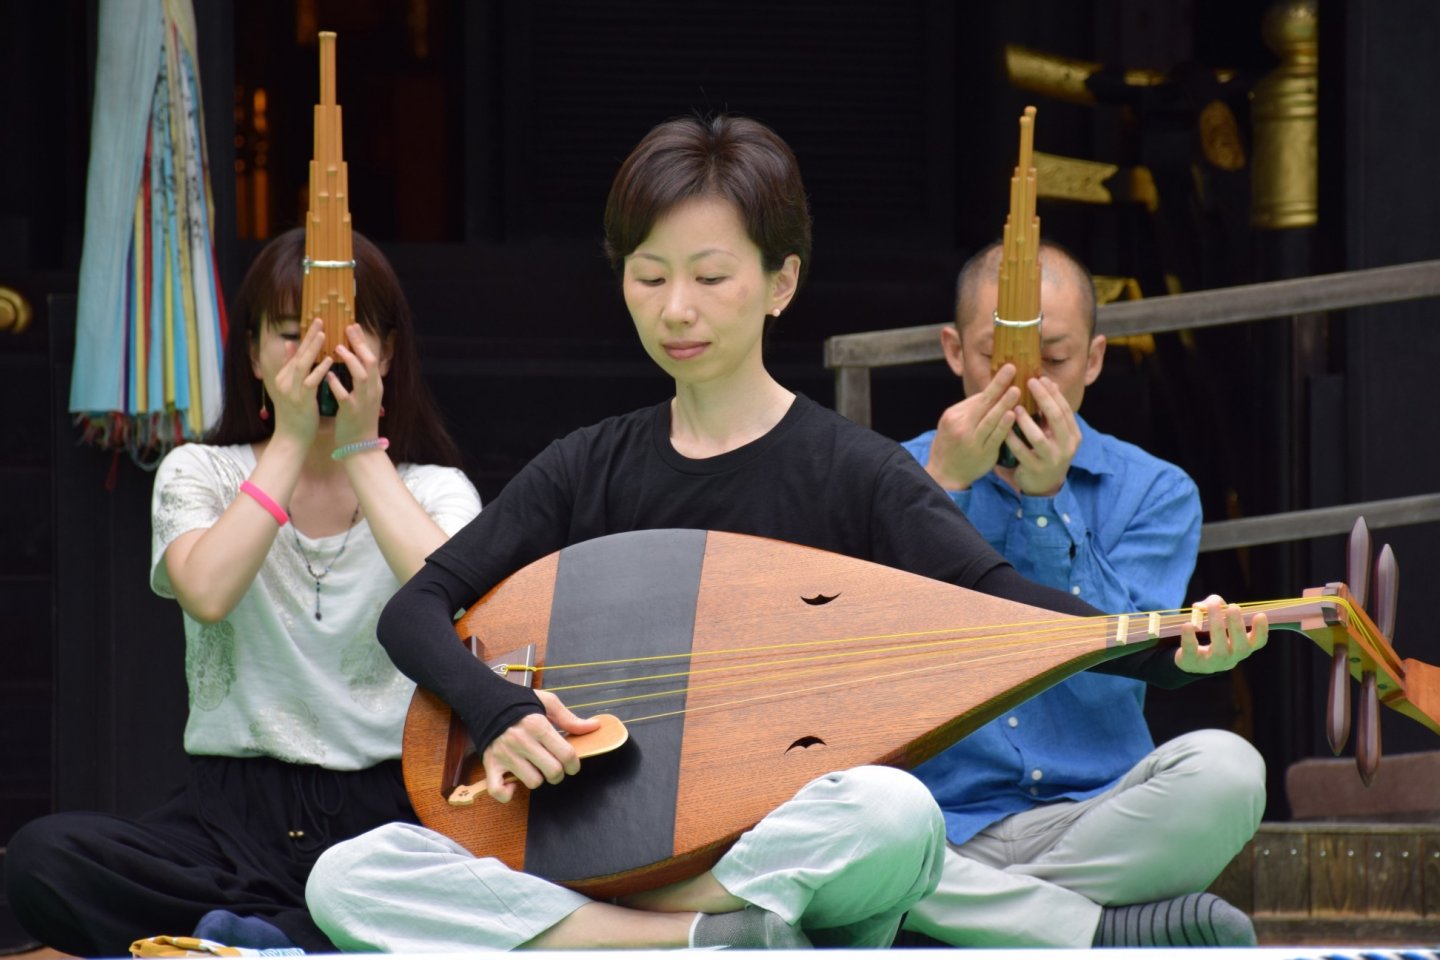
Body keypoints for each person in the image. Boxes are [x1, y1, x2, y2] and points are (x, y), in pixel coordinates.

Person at [300, 115, 1267, 953]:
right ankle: (704, 936)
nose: (677, 309)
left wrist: (1172, 652)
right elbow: (416, 611)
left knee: (892, 815)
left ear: (780, 282)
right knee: (348, 877)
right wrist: (499, 711)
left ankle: (669, 926)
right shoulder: (585, 466)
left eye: (711, 276)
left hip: (767, 841)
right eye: (650, 276)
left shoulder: (856, 471)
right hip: (579, 843)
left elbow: (1005, 607)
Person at [3, 228, 482, 955]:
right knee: (45, 858)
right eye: (292, 335)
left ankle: (248, 937)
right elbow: (208, 591)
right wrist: (291, 442)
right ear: (253, 352)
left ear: (386, 353)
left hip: (391, 815)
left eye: (346, 338)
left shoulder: (435, 490)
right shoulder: (199, 471)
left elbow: (446, 601)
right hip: (228, 815)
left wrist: (358, 447)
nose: (318, 356)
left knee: (460, 882)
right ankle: (291, 934)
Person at [893, 239, 1264, 948]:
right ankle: (1100, 934)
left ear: (1093, 360)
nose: (1025, 387)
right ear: (952, 351)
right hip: (935, 822)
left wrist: (1047, 503)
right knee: (838, 826)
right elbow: (865, 659)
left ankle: (986, 923)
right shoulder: (893, 473)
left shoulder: (1155, 491)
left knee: (1231, 773)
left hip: (1095, 813)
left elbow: (1117, 657)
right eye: (992, 361)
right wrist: (938, 489)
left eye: (1052, 362)